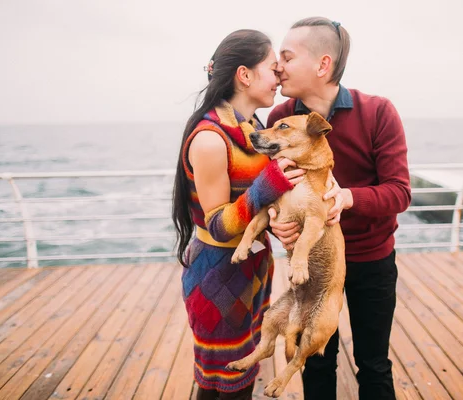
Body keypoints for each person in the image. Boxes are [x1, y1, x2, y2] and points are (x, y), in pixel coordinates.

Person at [267, 17, 412, 399]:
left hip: (371, 261)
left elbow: (399, 193)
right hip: (312, 263)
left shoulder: (378, 112)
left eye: (286, 56)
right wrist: (273, 223)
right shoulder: (279, 120)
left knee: (374, 365)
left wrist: (347, 197)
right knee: (314, 362)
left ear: (323, 65)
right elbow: (275, 191)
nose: (277, 66)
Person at [172, 29, 305, 400]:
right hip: (217, 275)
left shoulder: (253, 128)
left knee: (225, 381)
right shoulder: (211, 138)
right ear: (244, 75)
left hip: (251, 272)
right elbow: (216, 221)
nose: (279, 75)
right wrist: (270, 184)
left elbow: (259, 205)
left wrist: (279, 223)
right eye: (271, 68)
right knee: (231, 383)